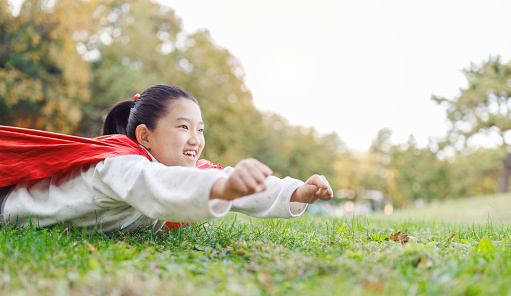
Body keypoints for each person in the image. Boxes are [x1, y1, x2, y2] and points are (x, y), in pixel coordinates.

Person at [0, 84, 333, 235]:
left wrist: (299, 192)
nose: (196, 140)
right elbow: (156, 185)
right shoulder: (121, 163)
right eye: (183, 127)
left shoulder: (176, 168)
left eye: (200, 130)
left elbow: (226, 179)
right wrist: (222, 186)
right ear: (145, 136)